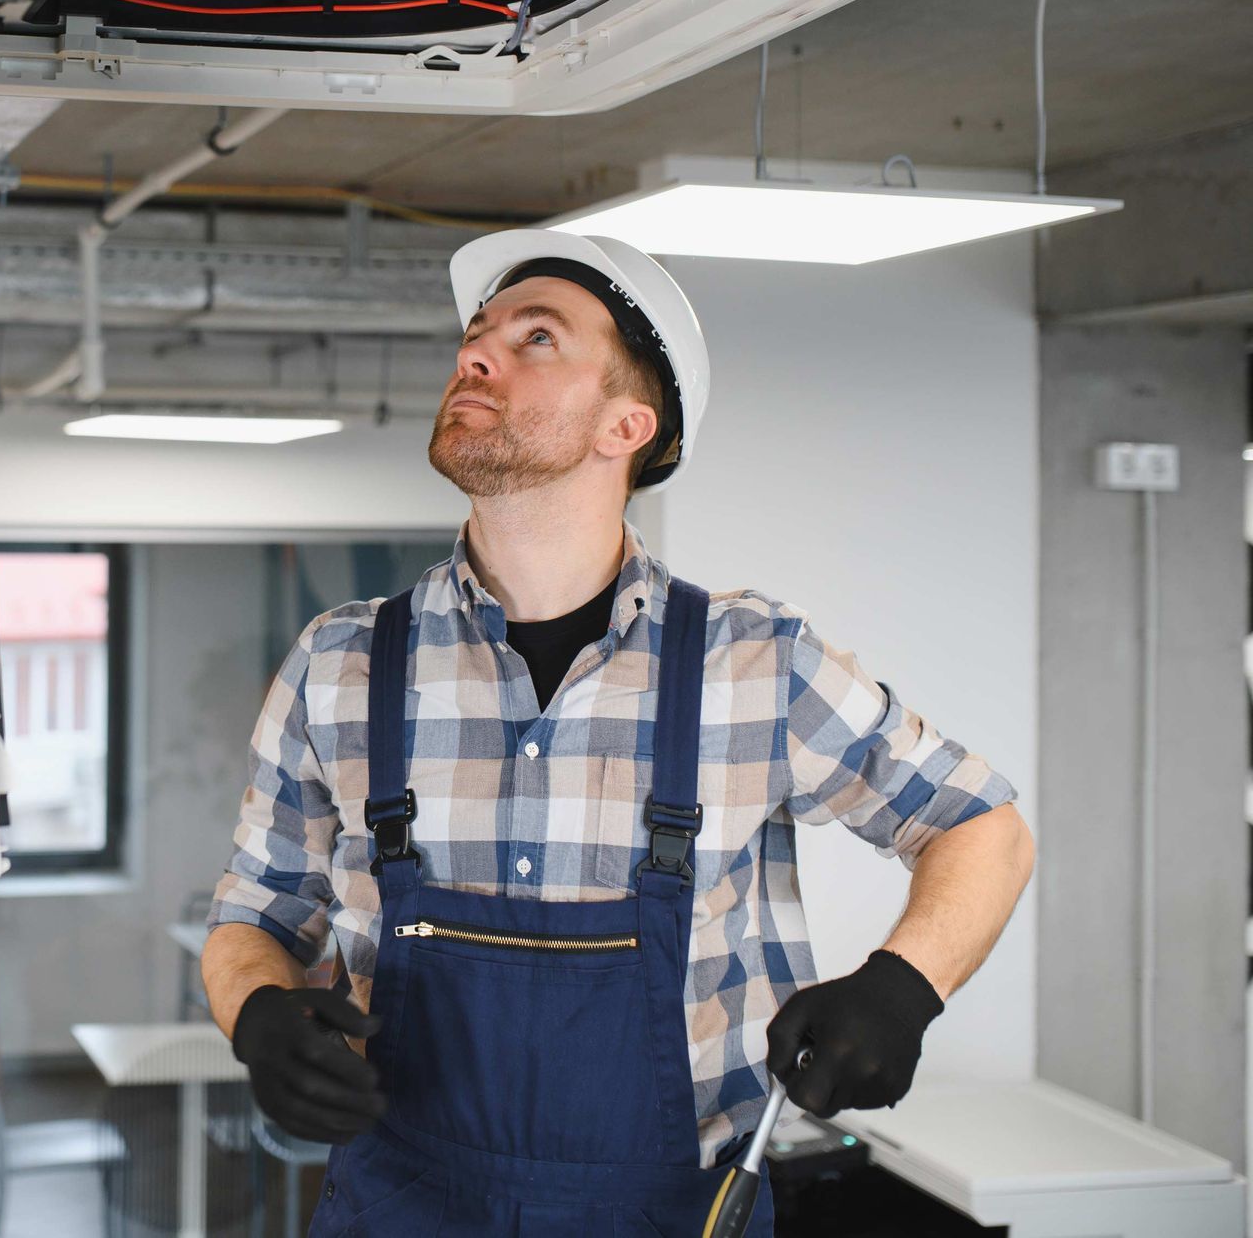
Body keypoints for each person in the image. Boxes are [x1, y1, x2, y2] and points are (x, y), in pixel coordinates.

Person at [200, 227, 1034, 1236]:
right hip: (398, 1205)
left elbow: (982, 823)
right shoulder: (340, 662)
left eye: (537, 338)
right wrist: (257, 1011)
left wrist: (904, 986)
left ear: (626, 424)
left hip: (668, 1214)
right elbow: (255, 912)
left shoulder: (755, 661)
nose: (475, 354)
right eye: (477, 333)